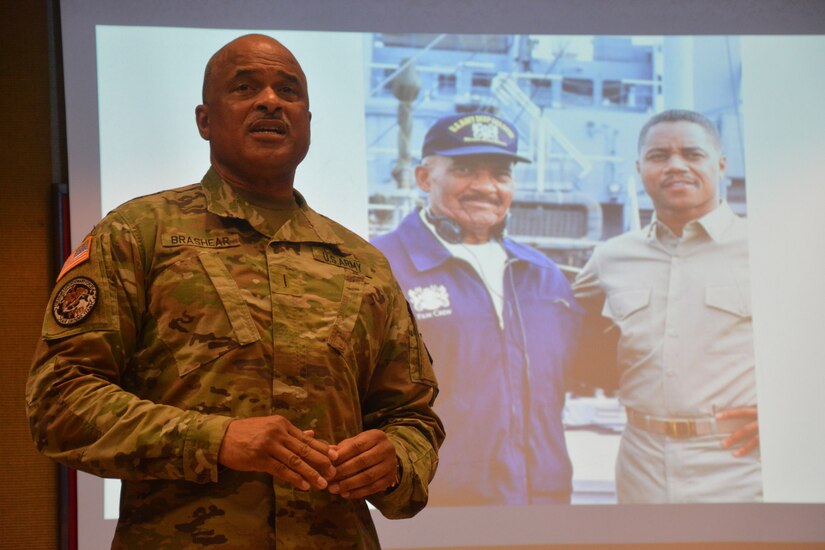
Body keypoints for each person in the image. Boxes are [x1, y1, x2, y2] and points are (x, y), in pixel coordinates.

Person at [26, 34, 444, 548]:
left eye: (288, 91)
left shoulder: (363, 264)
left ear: (307, 122)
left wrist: (396, 460)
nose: (270, 100)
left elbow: (412, 416)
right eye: (245, 87)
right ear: (205, 120)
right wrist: (217, 440)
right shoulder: (138, 234)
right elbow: (59, 400)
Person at [372, 112, 582, 505]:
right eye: (465, 169)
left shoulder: (545, 277)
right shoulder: (380, 267)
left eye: (500, 173)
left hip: (544, 504)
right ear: (424, 178)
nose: (485, 186)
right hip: (434, 509)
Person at [572, 109, 761, 503]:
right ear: (640, 168)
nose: (676, 166)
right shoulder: (611, 257)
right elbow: (547, 320)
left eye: (692, 154)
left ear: (721, 164)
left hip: (742, 466)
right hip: (642, 464)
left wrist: (792, 413)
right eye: (659, 156)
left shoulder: (766, 248)